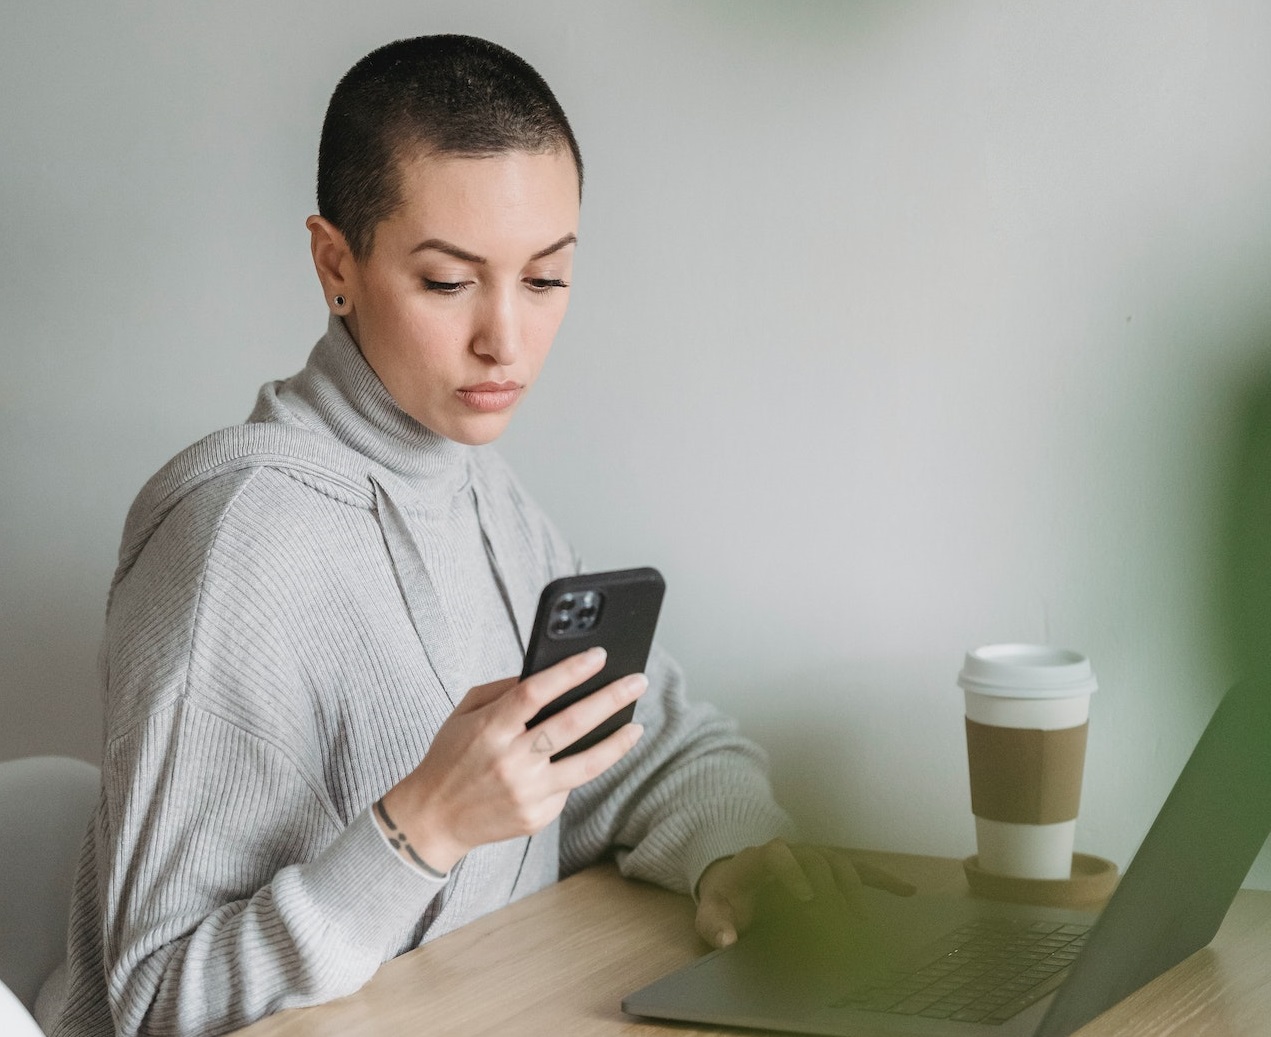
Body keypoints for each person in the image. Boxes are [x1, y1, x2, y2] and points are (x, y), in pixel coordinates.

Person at [40, 35, 901, 1037]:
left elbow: (637, 747)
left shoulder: (483, 494)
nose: (505, 338)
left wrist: (740, 855)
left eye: (544, 280)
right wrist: (422, 828)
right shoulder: (238, 539)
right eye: (449, 283)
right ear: (336, 264)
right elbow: (158, 1002)